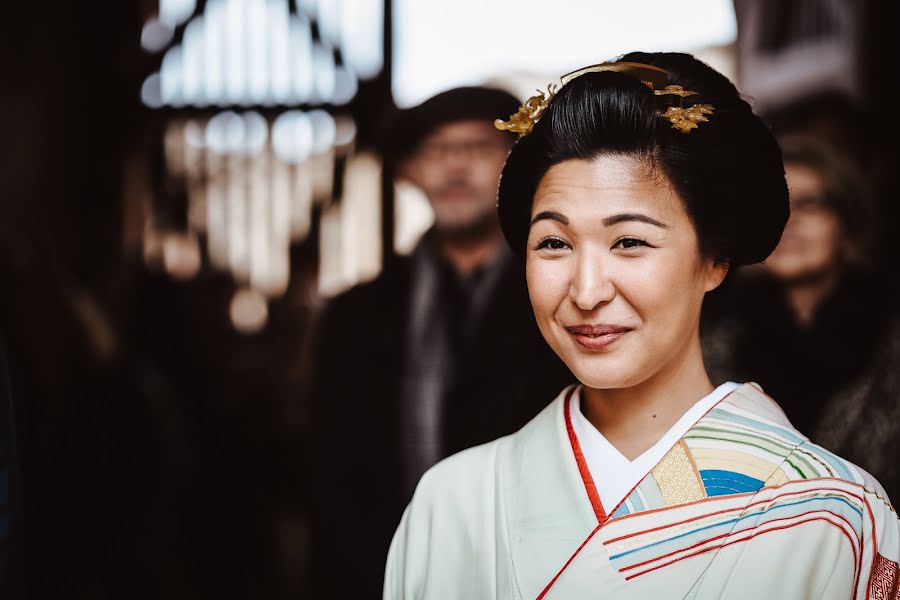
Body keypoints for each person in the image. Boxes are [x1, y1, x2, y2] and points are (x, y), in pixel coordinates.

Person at [384, 53, 900, 599]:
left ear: (714, 259)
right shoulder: (453, 501)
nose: (586, 291)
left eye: (629, 242)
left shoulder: (832, 512)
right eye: (554, 244)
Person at [309, 87, 573, 598]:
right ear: (409, 170)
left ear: (515, 166)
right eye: (436, 150)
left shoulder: (568, 297)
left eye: (476, 147)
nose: (455, 166)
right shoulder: (357, 315)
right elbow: (334, 477)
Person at [703, 135, 900, 501]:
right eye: (776, 207)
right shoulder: (713, 343)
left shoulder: (890, 337)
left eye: (809, 205)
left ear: (848, 227)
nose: (789, 222)